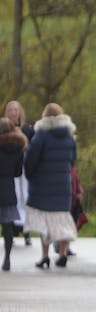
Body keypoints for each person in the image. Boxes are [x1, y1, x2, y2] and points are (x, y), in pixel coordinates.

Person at [23, 103, 78, 269]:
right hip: (63, 185)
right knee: (62, 219)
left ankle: (45, 256)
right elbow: (73, 160)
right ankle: (62, 253)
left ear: (44, 117)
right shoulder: (69, 136)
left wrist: (30, 175)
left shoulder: (41, 136)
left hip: (42, 185)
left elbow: (31, 160)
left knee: (45, 222)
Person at [0, 118, 29, 271]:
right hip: (8, 189)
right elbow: (18, 172)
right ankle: (7, 259)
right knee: (7, 226)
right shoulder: (18, 149)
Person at [4, 100, 33, 246]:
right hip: (11, 171)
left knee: (25, 197)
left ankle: (26, 230)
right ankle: (13, 230)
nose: (14, 113)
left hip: (24, 170)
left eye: (16, 110)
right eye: (11, 110)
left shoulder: (27, 130)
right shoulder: (4, 130)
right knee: (13, 198)